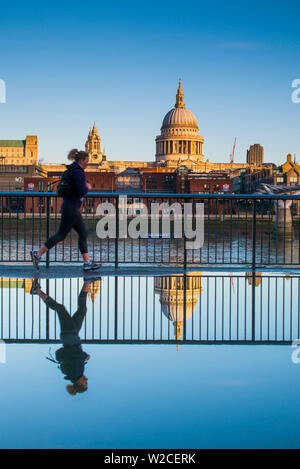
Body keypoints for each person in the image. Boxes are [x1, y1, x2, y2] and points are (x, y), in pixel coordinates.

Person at [30, 148, 100, 271]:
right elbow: (81, 190)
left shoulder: (70, 170)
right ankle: (37, 254)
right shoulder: (78, 172)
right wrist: (87, 186)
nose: (88, 163)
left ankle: (87, 262)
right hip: (71, 207)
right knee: (61, 235)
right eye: (87, 161)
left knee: (82, 232)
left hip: (70, 206)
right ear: (82, 160)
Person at [31, 278, 92, 395]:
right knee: (82, 309)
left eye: (85, 383)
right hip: (70, 337)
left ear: (79, 384)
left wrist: (85, 356)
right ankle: (87, 282)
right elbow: (60, 354)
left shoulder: (76, 372)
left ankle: (37, 291)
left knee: (60, 309)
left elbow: (78, 357)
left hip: (71, 337)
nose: (87, 380)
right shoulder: (69, 373)